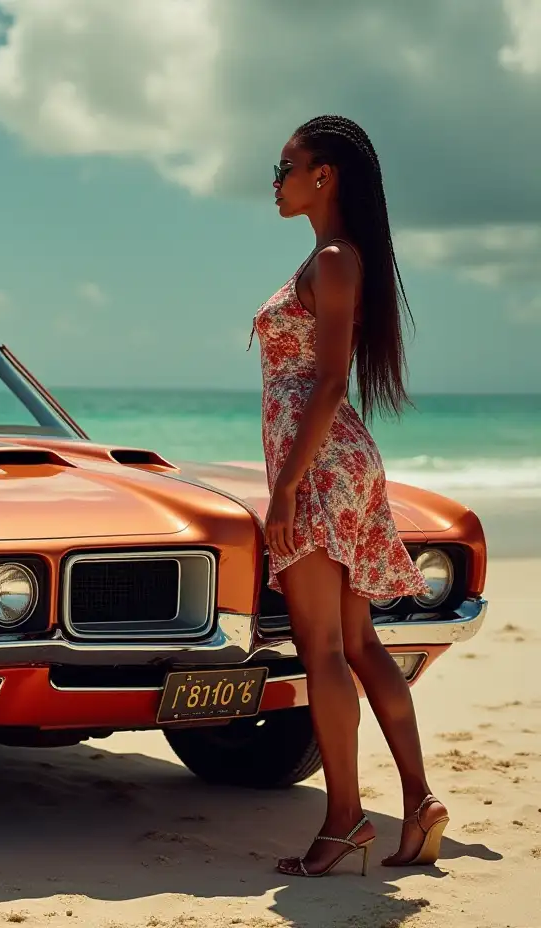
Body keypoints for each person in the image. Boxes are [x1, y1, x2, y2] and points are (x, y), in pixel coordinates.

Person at [249, 114, 450, 878]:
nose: (276, 179)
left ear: (323, 175)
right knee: (360, 644)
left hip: (322, 464)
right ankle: (420, 801)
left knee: (325, 648)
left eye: (285, 165)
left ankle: (342, 823)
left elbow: (330, 382)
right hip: (338, 460)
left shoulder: (333, 260)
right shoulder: (331, 258)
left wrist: (286, 490)